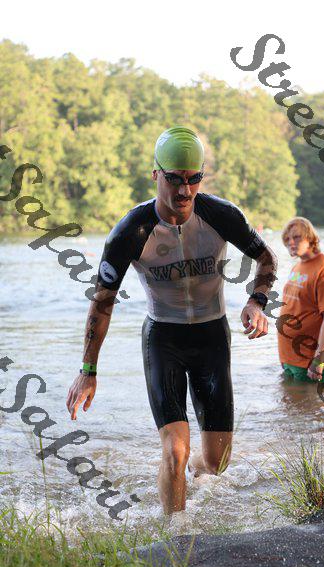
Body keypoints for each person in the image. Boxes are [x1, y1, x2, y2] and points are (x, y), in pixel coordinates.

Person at [66, 126, 278, 514]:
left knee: (216, 462)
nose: (184, 190)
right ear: (156, 175)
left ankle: (188, 477)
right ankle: (175, 535)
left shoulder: (221, 215)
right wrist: (88, 370)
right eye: (174, 179)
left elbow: (266, 258)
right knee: (175, 451)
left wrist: (257, 301)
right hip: (164, 339)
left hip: (213, 337)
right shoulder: (131, 231)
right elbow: (102, 303)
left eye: (193, 179)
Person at [278, 217, 324, 384]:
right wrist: (284, 356)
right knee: (290, 399)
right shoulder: (298, 266)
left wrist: (319, 361)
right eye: (287, 239)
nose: (291, 243)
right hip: (289, 357)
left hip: (308, 361)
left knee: (312, 401)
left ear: (310, 238)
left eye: (297, 237)